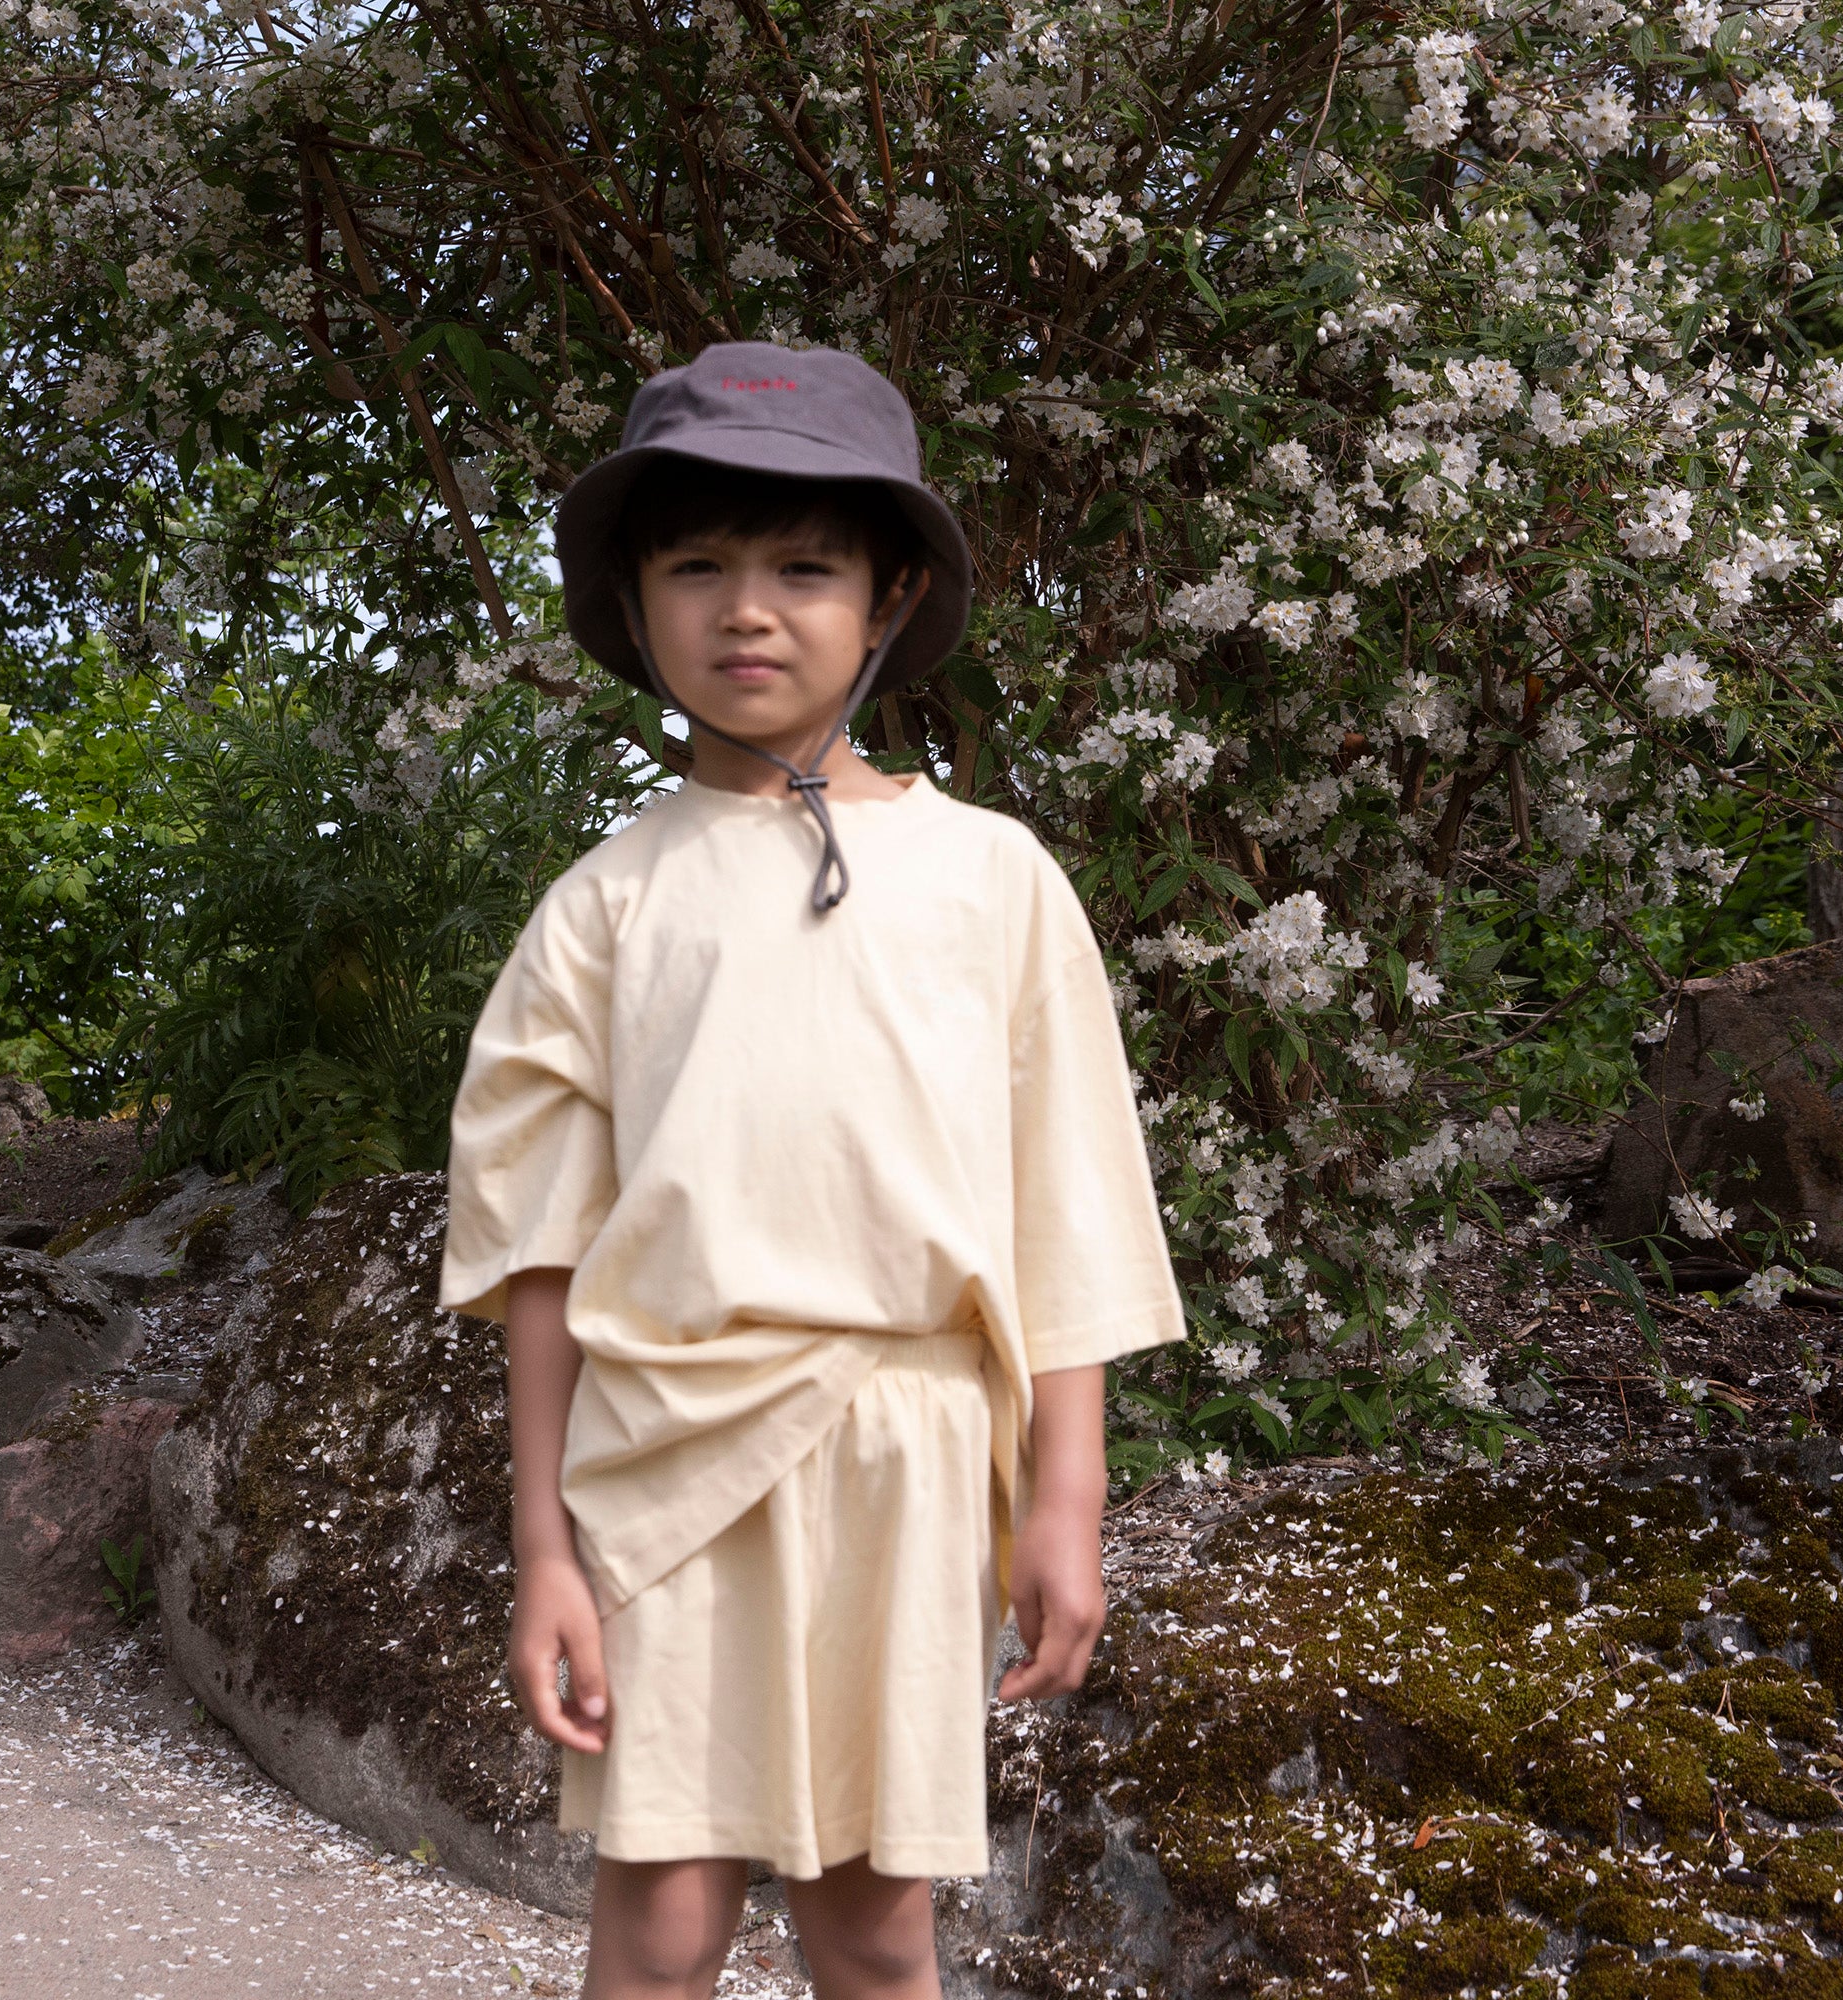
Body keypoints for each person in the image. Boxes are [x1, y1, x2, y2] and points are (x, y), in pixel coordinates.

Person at [438, 343, 1185, 2000]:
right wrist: (546, 1552)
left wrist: (1066, 1502)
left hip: (912, 1455)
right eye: (697, 566)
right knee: (666, 1912)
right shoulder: (604, 908)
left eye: (802, 566)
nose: (747, 610)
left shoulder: (993, 879)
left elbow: (1062, 1209)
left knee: (872, 1921)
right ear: (636, 611)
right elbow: (539, 1259)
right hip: (666, 1453)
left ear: (889, 592)